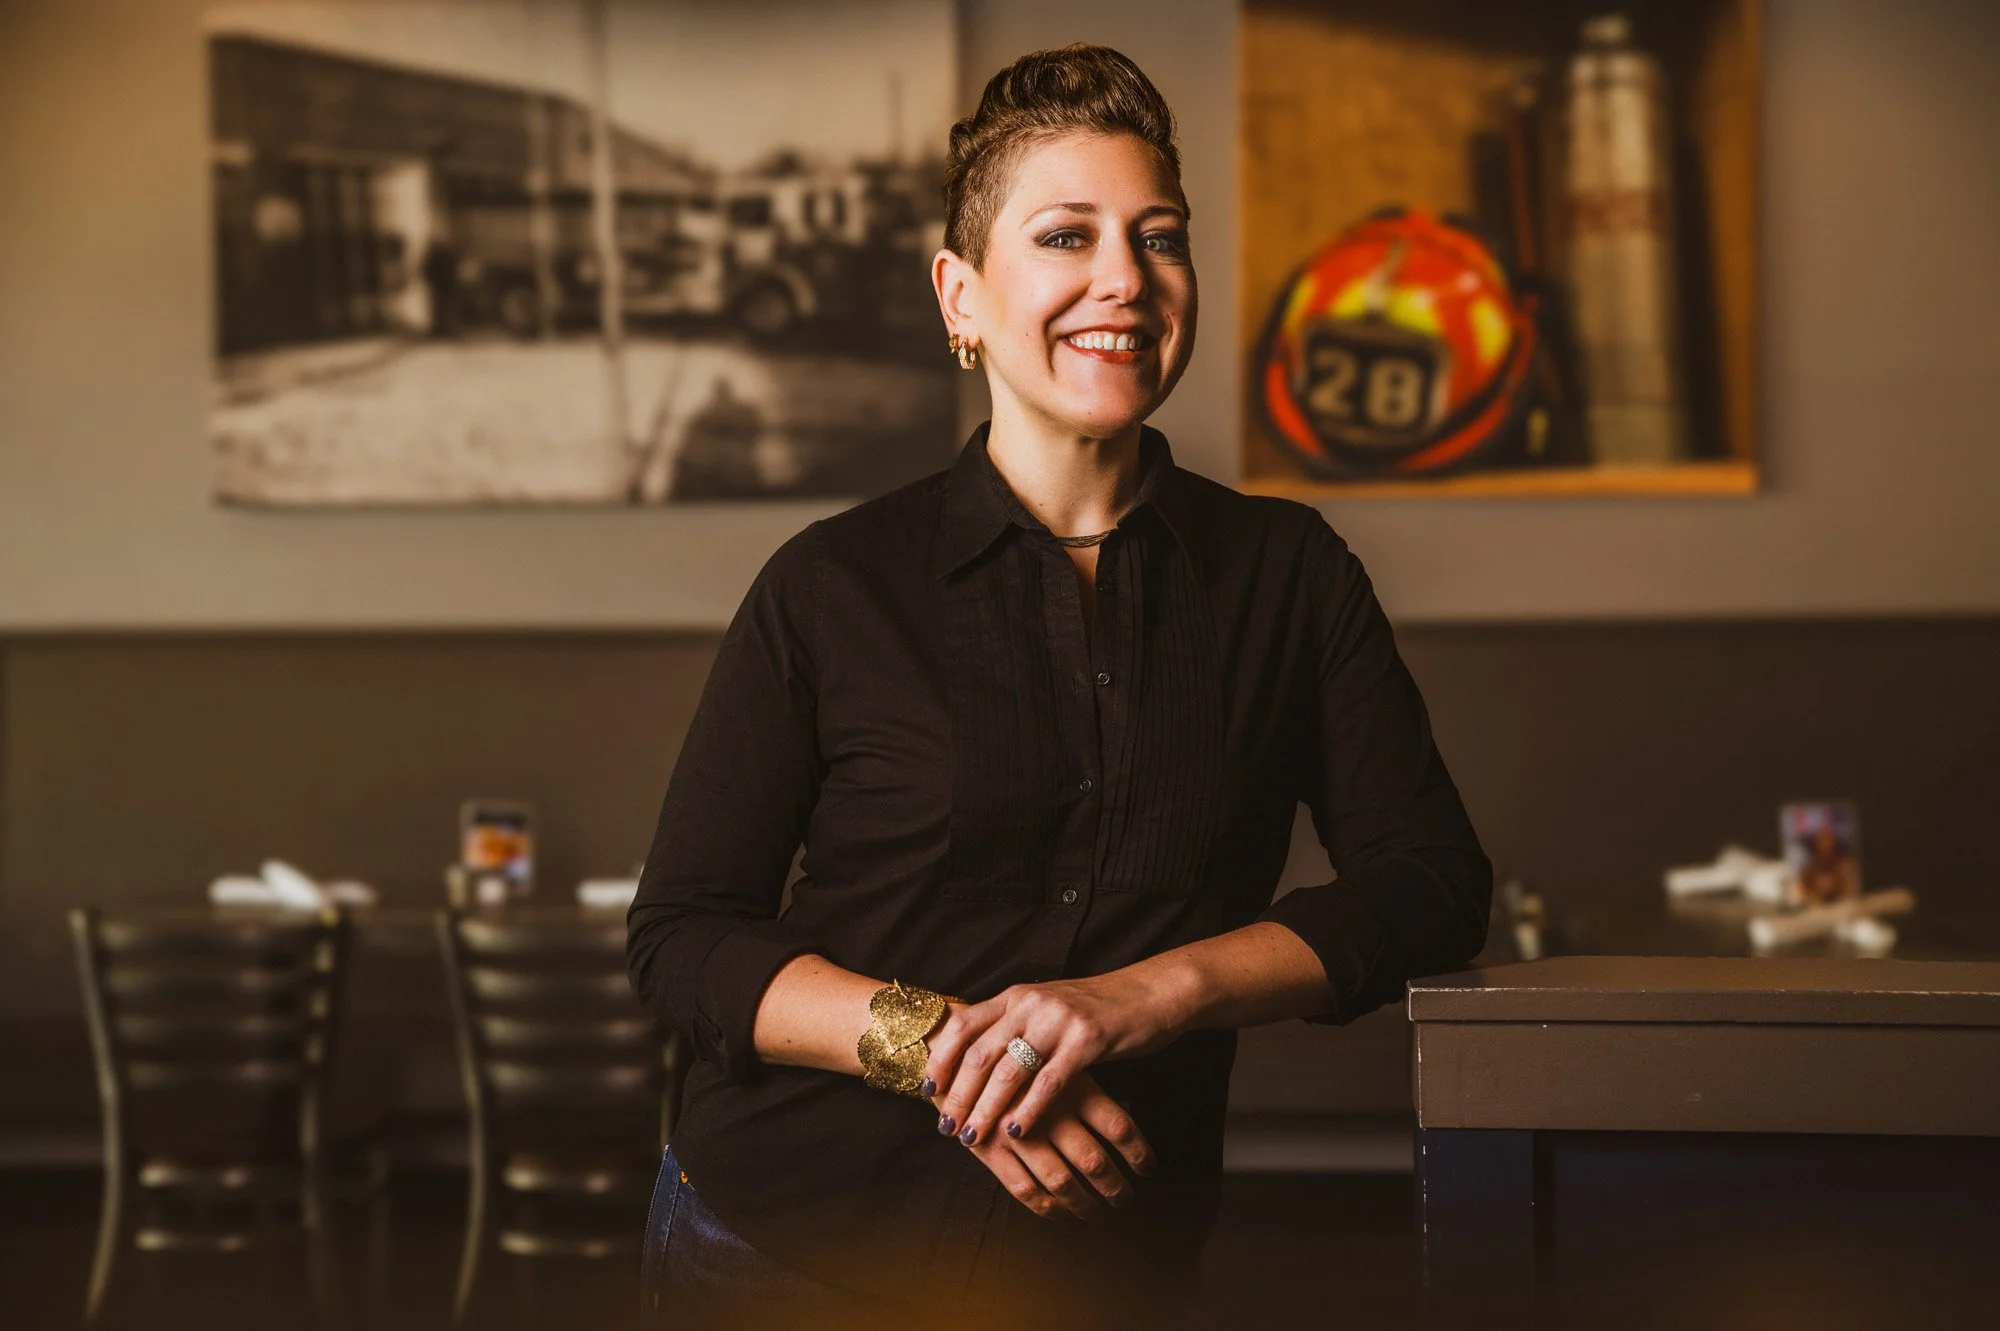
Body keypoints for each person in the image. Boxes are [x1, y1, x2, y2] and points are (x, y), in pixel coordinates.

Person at [627, 44, 1490, 1331]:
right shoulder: (830, 584)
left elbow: (1428, 881)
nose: (1122, 281)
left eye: (1159, 239)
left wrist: (1143, 996)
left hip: (1102, 1260)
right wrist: (952, 1056)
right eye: (1065, 235)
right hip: (784, 1240)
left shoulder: (1289, 575)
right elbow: (682, 934)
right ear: (960, 297)